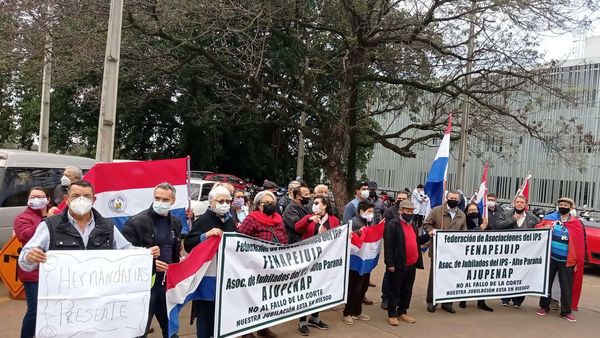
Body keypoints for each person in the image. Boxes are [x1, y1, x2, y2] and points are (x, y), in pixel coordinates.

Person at [18, 179, 160, 270]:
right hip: (63, 297)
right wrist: (30, 257)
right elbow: (25, 261)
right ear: (66, 200)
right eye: (75, 196)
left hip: (96, 298)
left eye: (86, 196)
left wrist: (146, 253)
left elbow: (126, 248)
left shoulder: (107, 226)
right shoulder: (49, 226)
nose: (81, 200)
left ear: (94, 199)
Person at [121, 183, 183, 338]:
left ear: (173, 201)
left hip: (167, 286)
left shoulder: (176, 223)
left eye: (165, 199)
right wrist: (148, 262)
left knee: (171, 330)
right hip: (145, 286)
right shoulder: (136, 222)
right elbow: (123, 255)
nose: (160, 202)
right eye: (157, 198)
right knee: (139, 331)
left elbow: (175, 250)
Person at [184, 186, 235, 338]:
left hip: (225, 277)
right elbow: (188, 244)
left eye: (228, 201)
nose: (225, 204)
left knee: (221, 317)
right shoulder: (204, 220)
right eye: (221, 201)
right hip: (208, 278)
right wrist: (205, 236)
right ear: (212, 202)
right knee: (205, 316)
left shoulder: (230, 221)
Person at [238, 190, 287, 338]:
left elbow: (284, 238)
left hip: (273, 267)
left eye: (272, 203)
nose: (270, 205)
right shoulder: (251, 219)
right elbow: (240, 241)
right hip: (254, 267)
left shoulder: (278, 219)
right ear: (259, 205)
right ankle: (246, 331)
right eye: (266, 203)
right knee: (250, 299)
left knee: (266, 299)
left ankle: (263, 327)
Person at [292, 196, 338, 335]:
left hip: (324, 261)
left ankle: (315, 317)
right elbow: (297, 228)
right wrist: (308, 220)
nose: (314, 205)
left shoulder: (334, 220)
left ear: (325, 205)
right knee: (306, 289)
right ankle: (302, 320)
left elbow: (338, 236)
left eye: (317, 203)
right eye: (314, 203)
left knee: (319, 288)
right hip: (308, 259)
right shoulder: (309, 217)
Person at [536, 197, 585, 323]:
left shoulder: (576, 224)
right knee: (547, 283)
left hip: (567, 261)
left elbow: (579, 245)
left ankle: (566, 311)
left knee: (566, 286)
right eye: (561, 204)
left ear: (571, 208)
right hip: (551, 258)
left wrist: (577, 262)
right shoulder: (550, 219)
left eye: (565, 205)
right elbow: (537, 229)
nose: (562, 206)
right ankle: (544, 306)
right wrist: (546, 227)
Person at [384, 200, 432, 326]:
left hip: (412, 263)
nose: (410, 213)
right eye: (407, 211)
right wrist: (389, 264)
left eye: (411, 211)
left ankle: (403, 311)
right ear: (400, 211)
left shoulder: (413, 225)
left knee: (407, 289)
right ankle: (392, 314)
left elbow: (417, 241)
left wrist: (429, 235)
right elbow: (388, 246)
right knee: (394, 290)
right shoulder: (392, 224)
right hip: (398, 263)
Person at [14, 187, 51, 338]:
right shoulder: (22, 218)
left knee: (51, 310)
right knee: (35, 311)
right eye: (32, 196)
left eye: (40, 196)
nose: (36, 199)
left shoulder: (57, 215)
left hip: (53, 272)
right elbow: (25, 236)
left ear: (47, 199)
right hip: (33, 273)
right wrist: (46, 221)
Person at [422, 190, 466, 313]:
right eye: (451, 197)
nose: (453, 200)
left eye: (456, 198)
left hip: (453, 252)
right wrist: (431, 231)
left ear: (459, 200)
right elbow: (426, 224)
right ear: (446, 197)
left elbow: (464, 232)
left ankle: (447, 303)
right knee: (434, 277)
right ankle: (431, 301)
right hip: (437, 249)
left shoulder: (462, 215)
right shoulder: (437, 211)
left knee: (450, 277)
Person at [493, 195, 538, 308]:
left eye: (521, 202)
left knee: (522, 275)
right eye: (517, 202)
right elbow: (497, 226)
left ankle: (518, 301)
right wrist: (512, 219)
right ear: (514, 203)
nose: (519, 204)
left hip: (525, 253)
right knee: (508, 274)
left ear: (525, 205)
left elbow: (539, 230)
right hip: (508, 252)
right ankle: (505, 298)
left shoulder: (532, 218)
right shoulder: (506, 214)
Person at [343, 201, 375, 325]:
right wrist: (358, 232)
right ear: (361, 211)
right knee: (354, 287)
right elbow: (347, 236)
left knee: (363, 286)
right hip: (355, 261)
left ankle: (357, 311)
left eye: (372, 211)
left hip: (366, 259)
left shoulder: (369, 222)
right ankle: (348, 312)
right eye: (369, 212)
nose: (371, 214)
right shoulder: (353, 222)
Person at [458, 203, 494, 312]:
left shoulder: (483, 220)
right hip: (468, 253)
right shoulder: (464, 221)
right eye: (471, 210)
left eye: (475, 209)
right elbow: (465, 234)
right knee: (467, 276)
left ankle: (481, 301)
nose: (473, 212)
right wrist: (479, 229)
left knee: (481, 277)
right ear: (467, 211)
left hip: (482, 254)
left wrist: (486, 227)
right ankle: (463, 299)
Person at [380, 190, 410, 309]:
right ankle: (385, 298)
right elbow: (386, 232)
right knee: (389, 274)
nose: (401, 200)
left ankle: (397, 299)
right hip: (394, 249)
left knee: (401, 277)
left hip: (405, 250)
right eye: (399, 198)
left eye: (404, 198)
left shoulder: (409, 212)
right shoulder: (389, 212)